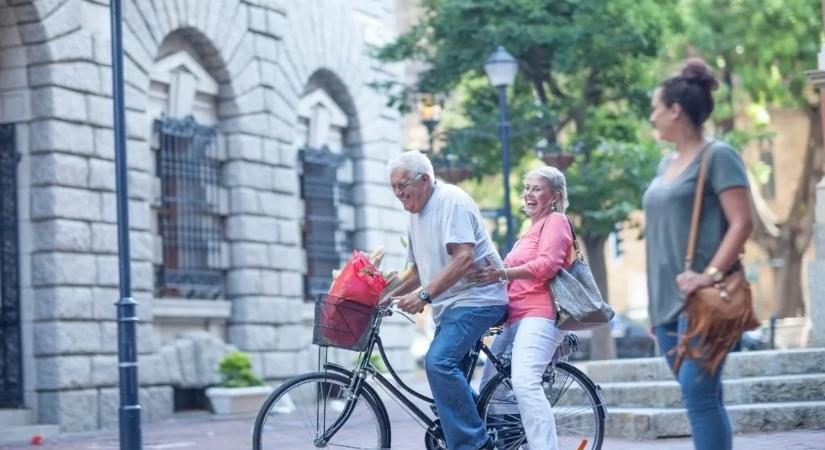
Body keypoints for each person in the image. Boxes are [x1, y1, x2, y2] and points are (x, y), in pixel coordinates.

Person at [643, 58, 752, 450]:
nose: (652, 115)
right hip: (666, 305)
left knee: (699, 395)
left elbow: (742, 223)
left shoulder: (718, 156)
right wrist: (655, 309)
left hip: (704, 301)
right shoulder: (664, 164)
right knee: (705, 397)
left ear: (675, 110)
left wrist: (708, 274)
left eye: (656, 107)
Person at [382, 150, 508, 450]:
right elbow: (416, 272)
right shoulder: (414, 216)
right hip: (452, 307)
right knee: (451, 386)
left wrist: (424, 295)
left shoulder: (451, 200)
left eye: (403, 186)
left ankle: (474, 445)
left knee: (439, 363)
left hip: (478, 299)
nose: (398, 194)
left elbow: (463, 257)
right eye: (394, 188)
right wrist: (381, 298)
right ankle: (499, 429)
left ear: (424, 179)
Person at [468, 165, 574, 450]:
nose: (528, 194)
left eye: (536, 188)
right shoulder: (530, 231)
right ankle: (512, 444)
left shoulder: (556, 220)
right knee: (491, 388)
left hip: (540, 315)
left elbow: (547, 265)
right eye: (527, 188)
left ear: (555, 195)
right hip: (515, 317)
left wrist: (502, 273)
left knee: (524, 381)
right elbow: (509, 271)